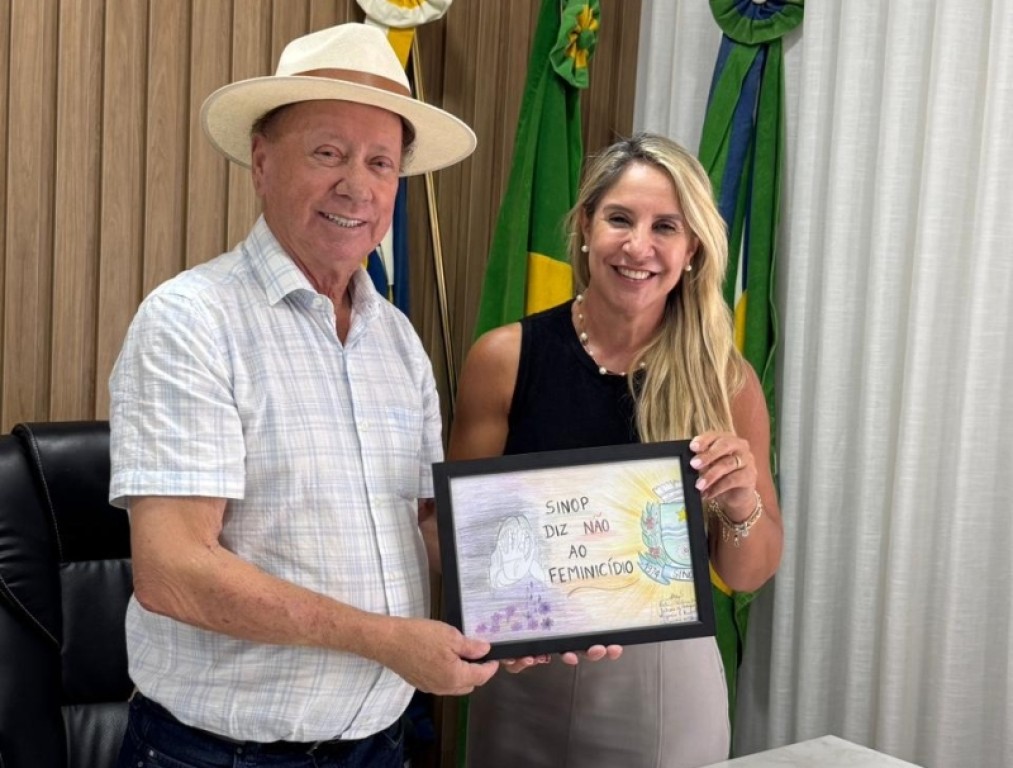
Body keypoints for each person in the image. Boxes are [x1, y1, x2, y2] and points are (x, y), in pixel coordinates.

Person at [108, 23, 499, 768]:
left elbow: (422, 527)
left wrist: (533, 609)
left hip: (379, 744)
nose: (357, 186)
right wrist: (385, 640)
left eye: (381, 163)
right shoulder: (191, 320)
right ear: (262, 162)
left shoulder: (398, 341)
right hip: (222, 756)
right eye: (327, 153)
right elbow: (172, 571)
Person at [451, 133, 783, 768]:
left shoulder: (726, 381)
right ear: (585, 226)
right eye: (620, 219)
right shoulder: (504, 358)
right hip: (524, 675)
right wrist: (495, 608)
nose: (638, 247)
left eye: (666, 227)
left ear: (692, 248)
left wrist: (742, 506)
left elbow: (748, 573)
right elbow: (459, 538)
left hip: (662, 686)